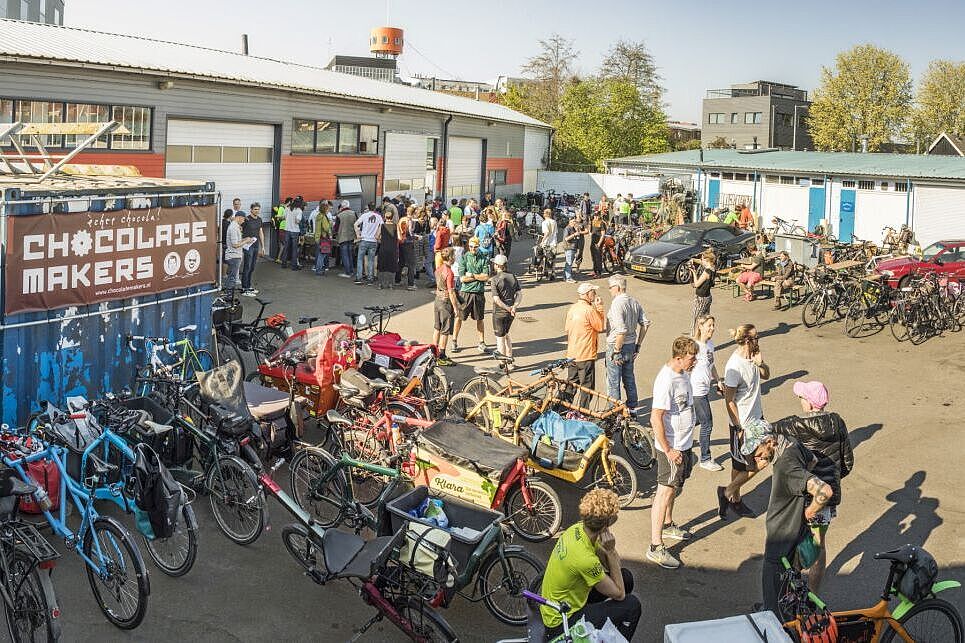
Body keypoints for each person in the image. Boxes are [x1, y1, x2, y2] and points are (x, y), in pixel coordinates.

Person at [742, 421, 833, 618]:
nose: (755, 458)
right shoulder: (790, 443)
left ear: (769, 442)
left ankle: (773, 619)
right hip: (792, 533)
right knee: (789, 586)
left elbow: (825, 491)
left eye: (756, 452)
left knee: (774, 595)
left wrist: (810, 510)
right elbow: (813, 460)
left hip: (781, 539)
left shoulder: (786, 466)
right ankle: (785, 615)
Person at [771, 381, 853, 593]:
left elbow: (767, 431)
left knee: (790, 544)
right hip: (826, 499)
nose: (800, 401)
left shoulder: (793, 425)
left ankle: (789, 594)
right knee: (818, 545)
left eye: (801, 398)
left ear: (808, 402)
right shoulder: (837, 422)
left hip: (802, 496)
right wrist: (831, 479)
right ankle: (813, 596)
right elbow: (847, 463)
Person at [540, 489, 641, 641]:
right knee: (632, 605)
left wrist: (608, 553)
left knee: (626, 577)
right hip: (562, 621)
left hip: (569, 601)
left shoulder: (577, 529)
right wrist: (611, 550)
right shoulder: (585, 558)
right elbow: (619, 594)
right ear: (606, 523)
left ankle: (604, 628)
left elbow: (613, 566)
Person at [647, 336, 699, 569]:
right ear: (678, 358)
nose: (694, 361)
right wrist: (668, 449)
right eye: (691, 358)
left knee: (675, 487)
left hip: (684, 445)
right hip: (672, 448)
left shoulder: (683, 374)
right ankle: (655, 546)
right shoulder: (665, 380)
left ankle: (668, 525)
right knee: (665, 492)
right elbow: (655, 417)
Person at [719, 323, 771, 519]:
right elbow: (729, 400)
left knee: (751, 462)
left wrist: (761, 364)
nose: (759, 340)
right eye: (756, 337)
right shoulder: (734, 367)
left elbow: (766, 375)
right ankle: (730, 495)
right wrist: (739, 426)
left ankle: (730, 496)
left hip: (758, 419)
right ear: (748, 340)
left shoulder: (754, 356)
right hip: (743, 425)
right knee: (754, 463)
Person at [605, 275, 651, 416]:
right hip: (631, 346)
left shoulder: (617, 304)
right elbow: (646, 323)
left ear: (617, 288)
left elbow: (621, 330)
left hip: (616, 345)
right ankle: (632, 409)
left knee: (613, 381)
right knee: (629, 378)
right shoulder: (634, 301)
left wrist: (617, 350)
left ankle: (615, 412)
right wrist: (638, 345)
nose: (609, 290)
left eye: (610, 287)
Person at [691, 315, 724, 471]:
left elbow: (712, 365)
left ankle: (677, 435)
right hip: (696, 391)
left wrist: (718, 381)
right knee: (707, 423)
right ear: (701, 326)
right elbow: (685, 368)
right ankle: (705, 459)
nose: (712, 328)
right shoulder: (694, 347)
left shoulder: (710, 345)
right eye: (709, 325)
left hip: (705, 389)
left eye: (713, 325)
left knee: (695, 419)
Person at [565, 283, 605, 409]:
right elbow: (600, 326)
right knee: (587, 387)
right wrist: (599, 308)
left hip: (572, 354)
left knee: (571, 384)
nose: (595, 294)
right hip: (586, 354)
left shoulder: (573, 308)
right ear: (588, 294)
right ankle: (583, 412)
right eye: (593, 292)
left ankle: (564, 409)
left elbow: (567, 328)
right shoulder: (589, 310)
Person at [453, 237, 490, 353]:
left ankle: (482, 342)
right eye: (471, 247)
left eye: (475, 247)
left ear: (479, 247)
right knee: (459, 317)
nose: (473, 249)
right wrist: (478, 276)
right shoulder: (464, 258)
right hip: (465, 293)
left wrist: (472, 276)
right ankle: (454, 340)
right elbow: (463, 278)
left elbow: (486, 277)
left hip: (479, 293)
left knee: (480, 318)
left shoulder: (483, 258)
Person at [490, 254, 521, 358]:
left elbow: (496, 299)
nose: (493, 265)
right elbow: (519, 294)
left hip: (499, 313)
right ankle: (510, 359)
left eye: (494, 264)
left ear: (498, 266)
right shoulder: (512, 276)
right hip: (510, 313)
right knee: (507, 335)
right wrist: (514, 307)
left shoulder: (494, 279)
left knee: (500, 339)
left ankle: (503, 364)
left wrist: (507, 308)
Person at [432, 248, 458, 366]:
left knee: (437, 327)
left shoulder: (438, 269)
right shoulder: (449, 273)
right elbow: (451, 291)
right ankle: (441, 355)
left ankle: (433, 352)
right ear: (451, 258)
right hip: (445, 302)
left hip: (437, 300)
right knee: (445, 330)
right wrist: (456, 308)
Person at [240, 203, 266, 296]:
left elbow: (260, 232)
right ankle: (244, 288)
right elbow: (239, 229)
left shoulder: (259, 219)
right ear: (251, 210)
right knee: (247, 266)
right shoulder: (246, 219)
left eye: (258, 209)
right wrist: (242, 241)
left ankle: (249, 286)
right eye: (255, 209)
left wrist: (263, 246)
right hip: (248, 246)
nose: (257, 211)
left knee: (252, 267)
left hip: (256, 246)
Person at [224, 211, 253, 291]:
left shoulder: (235, 226)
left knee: (232, 277)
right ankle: (228, 295)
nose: (243, 221)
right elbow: (235, 245)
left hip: (235, 256)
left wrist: (245, 239)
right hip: (233, 256)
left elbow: (237, 241)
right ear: (239, 217)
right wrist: (246, 241)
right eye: (243, 219)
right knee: (232, 278)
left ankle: (229, 295)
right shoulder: (233, 227)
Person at [354, 203, 382, 285]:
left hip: (364, 240)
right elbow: (381, 226)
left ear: (368, 207)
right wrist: (377, 235)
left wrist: (358, 235)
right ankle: (370, 278)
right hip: (373, 241)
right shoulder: (379, 217)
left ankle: (359, 278)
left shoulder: (364, 215)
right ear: (375, 208)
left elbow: (355, 224)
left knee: (360, 259)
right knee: (371, 260)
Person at [690, 249, 717, 334]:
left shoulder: (706, 272)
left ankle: (694, 337)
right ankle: (705, 335)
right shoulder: (713, 268)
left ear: (707, 260)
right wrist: (694, 260)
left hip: (700, 298)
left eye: (702, 259)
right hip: (708, 297)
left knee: (697, 319)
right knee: (705, 318)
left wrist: (693, 272)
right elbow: (702, 262)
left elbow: (697, 284)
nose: (701, 261)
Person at [376, 208, 398, 290]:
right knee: (392, 267)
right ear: (392, 217)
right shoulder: (395, 226)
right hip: (392, 249)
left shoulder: (382, 226)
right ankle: (391, 285)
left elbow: (376, 236)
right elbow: (398, 237)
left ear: (385, 217)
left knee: (382, 266)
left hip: (383, 248)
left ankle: (380, 284)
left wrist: (381, 240)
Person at [396, 206, 417, 290]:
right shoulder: (410, 221)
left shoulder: (401, 219)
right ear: (413, 213)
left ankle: (397, 280)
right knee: (411, 264)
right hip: (408, 243)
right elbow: (410, 233)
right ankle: (410, 284)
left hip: (401, 242)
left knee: (401, 262)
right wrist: (416, 237)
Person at [334, 200, 357, 278]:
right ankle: (351, 271)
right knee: (350, 254)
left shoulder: (339, 215)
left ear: (342, 206)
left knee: (345, 255)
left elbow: (336, 228)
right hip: (352, 237)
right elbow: (357, 224)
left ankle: (347, 272)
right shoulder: (354, 213)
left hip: (342, 237)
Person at [312, 202, 332, 276]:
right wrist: (330, 222)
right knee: (322, 254)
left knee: (320, 254)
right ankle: (319, 269)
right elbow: (326, 228)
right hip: (323, 238)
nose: (329, 210)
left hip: (318, 237)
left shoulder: (318, 216)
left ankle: (318, 269)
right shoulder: (323, 217)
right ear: (325, 209)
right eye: (328, 208)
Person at [284, 197, 304, 270]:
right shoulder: (299, 210)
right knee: (294, 249)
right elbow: (297, 221)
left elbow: (284, 217)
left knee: (286, 248)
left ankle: (284, 264)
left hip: (287, 229)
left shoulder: (287, 208)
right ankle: (294, 266)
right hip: (295, 231)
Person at [540, 207, 558, 280]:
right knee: (552, 258)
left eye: (544, 213)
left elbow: (547, 232)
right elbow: (556, 232)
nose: (543, 214)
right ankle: (553, 273)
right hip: (554, 242)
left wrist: (542, 241)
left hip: (547, 242)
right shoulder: (554, 222)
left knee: (545, 257)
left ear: (546, 214)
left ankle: (546, 271)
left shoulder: (544, 222)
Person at [562, 216, 581, 283]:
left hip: (572, 247)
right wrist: (574, 235)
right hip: (569, 247)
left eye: (575, 221)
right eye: (573, 221)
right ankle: (568, 278)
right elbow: (566, 238)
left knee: (568, 262)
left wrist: (577, 233)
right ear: (569, 222)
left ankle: (565, 276)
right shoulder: (567, 228)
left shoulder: (573, 228)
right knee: (569, 263)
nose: (574, 223)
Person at [589, 211, 606, 277]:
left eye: (597, 216)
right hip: (593, 242)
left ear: (599, 216)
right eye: (594, 216)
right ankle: (594, 271)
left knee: (598, 258)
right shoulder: (592, 222)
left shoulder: (601, 223)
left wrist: (599, 243)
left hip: (598, 242)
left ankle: (599, 272)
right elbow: (590, 231)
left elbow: (603, 234)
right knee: (593, 257)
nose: (595, 217)